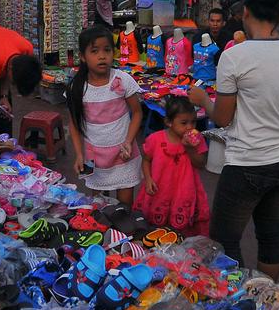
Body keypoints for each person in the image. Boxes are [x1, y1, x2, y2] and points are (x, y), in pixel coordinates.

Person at [190, 0, 279, 280]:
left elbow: (222, 119)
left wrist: (202, 100)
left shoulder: (235, 57)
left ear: (245, 11)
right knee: (270, 233)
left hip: (247, 164)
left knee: (223, 240)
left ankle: (237, 299)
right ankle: (265, 298)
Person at [65, 25, 142, 205]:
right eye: (94, 51)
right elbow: (74, 125)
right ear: (83, 57)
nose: (102, 56)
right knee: (98, 204)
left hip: (124, 153)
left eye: (107, 50)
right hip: (94, 155)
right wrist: (78, 155)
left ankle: (122, 232)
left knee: (125, 206)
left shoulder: (122, 80)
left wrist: (129, 141)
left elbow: (137, 113)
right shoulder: (77, 88)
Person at [136, 96, 209, 237]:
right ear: (169, 122)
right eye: (184, 123)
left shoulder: (197, 140)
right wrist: (148, 179)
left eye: (193, 122)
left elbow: (200, 164)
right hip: (160, 188)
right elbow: (146, 160)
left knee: (181, 228)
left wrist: (190, 148)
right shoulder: (155, 139)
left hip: (184, 190)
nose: (190, 127)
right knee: (156, 227)